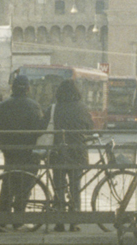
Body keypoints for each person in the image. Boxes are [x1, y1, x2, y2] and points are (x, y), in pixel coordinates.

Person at [0, 75, 45, 215]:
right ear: (27, 89)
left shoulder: (1, 107)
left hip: (8, 151)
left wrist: (4, 144)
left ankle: (3, 216)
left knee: (8, 181)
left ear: (13, 88)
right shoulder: (34, 106)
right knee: (25, 184)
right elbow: (38, 130)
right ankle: (18, 216)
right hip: (28, 151)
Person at [49, 79, 94, 232]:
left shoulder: (55, 108)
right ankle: (74, 222)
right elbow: (89, 128)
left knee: (59, 187)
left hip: (58, 152)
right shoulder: (82, 107)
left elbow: (44, 125)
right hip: (77, 153)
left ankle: (59, 222)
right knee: (76, 188)